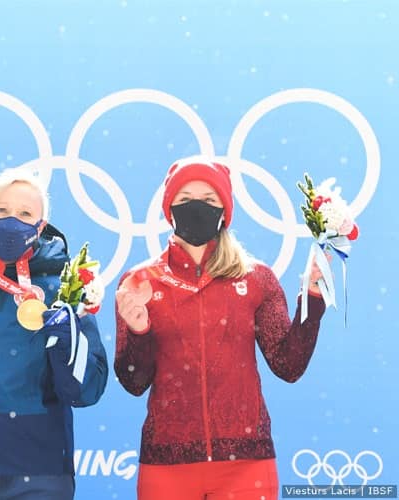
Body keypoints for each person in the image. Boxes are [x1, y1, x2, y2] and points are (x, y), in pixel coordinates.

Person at [114, 158, 328, 500]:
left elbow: (289, 365)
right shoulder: (139, 282)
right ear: (169, 209)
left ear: (224, 212)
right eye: (185, 199)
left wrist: (313, 300)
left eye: (209, 200)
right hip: (166, 465)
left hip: (247, 464)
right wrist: (139, 332)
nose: (196, 207)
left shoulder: (257, 278)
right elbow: (133, 382)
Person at [0, 169, 108, 500]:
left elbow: (88, 390)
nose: (12, 221)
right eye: (1, 211)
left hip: (41, 467)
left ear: (40, 227)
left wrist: (67, 340)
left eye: (25, 214)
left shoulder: (68, 287)